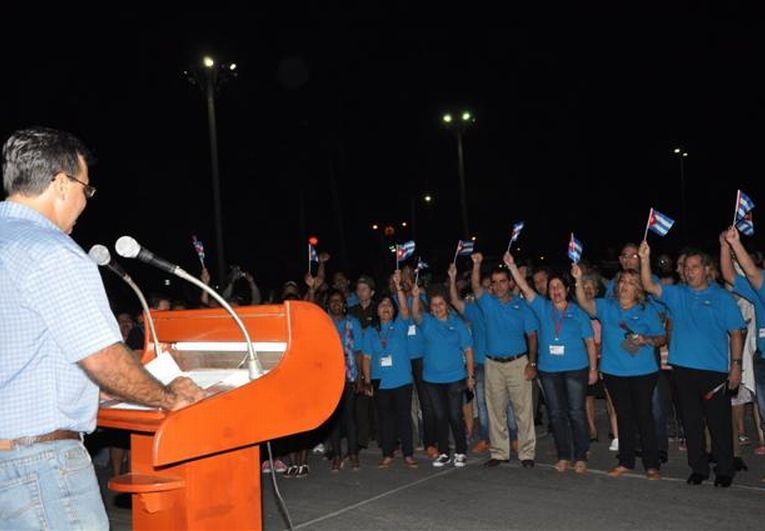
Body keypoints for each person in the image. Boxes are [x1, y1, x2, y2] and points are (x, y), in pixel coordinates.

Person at [0, 127, 206, 529]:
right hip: (39, 468)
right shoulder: (52, 251)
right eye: (85, 189)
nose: (84, 202)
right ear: (61, 183)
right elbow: (100, 358)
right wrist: (167, 396)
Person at [639, 240, 744, 487]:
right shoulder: (677, 293)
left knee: (718, 423)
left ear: (706, 269)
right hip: (683, 370)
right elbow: (648, 285)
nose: (689, 271)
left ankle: (725, 469)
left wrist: (736, 365)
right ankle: (698, 467)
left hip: (713, 371)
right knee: (691, 421)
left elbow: (736, 333)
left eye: (694, 267)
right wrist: (645, 258)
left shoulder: (722, 297)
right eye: (686, 267)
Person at [505, 253, 597, 474]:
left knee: (576, 412)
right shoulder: (543, 308)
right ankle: (564, 455)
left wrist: (593, 369)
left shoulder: (578, 312)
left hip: (576, 368)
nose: (555, 291)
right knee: (556, 414)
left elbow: (590, 342)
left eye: (559, 287)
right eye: (552, 287)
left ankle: (581, 455)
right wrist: (511, 267)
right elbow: (525, 289)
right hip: (549, 371)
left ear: (567, 289)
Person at [573, 262, 666, 480]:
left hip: (643, 372)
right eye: (622, 281)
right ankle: (626, 461)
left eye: (631, 283)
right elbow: (584, 303)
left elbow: (662, 337)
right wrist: (578, 280)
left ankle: (652, 464)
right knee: (623, 416)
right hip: (614, 372)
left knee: (644, 416)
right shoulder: (607, 306)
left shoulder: (647, 310)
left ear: (639, 289)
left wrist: (648, 340)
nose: (625, 285)